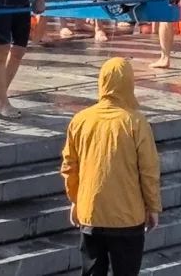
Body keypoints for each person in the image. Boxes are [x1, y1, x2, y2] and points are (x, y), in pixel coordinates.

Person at [61, 57, 161, 276]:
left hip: (91, 213)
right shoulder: (136, 122)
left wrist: (76, 200)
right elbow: (148, 171)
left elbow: (69, 166)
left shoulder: (80, 120)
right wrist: (153, 207)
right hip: (128, 217)